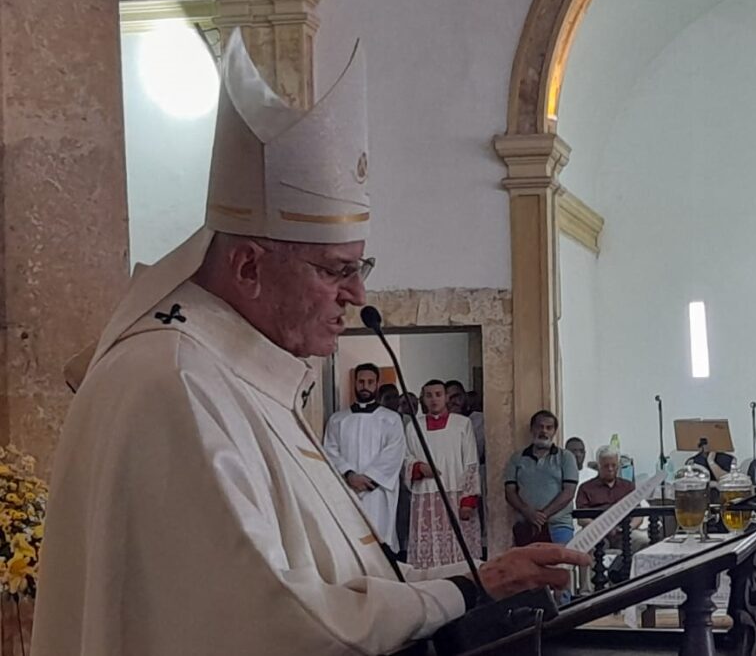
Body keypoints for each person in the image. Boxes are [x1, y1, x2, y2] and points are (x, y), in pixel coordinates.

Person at [31, 32, 588, 656]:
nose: (355, 294)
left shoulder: (243, 376)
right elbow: (276, 624)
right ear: (247, 268)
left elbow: (344, 583)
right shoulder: (175, 383)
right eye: (333, 269)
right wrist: (467, 590)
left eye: (360, 266)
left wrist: (468, 580)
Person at [323, 362, 406, 550]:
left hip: (377, 491)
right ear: (355, 383)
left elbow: (394, 452)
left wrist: (369, 479)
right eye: (361, 381)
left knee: (379, 543)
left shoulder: (390, 419)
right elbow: (329, 450)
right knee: (349, 544)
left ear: (377, 384)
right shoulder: (338, 419)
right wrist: (349, 475)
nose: (365, 386)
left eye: (370, 382)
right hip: (347, 490)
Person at [405, 380, 482, 568]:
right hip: (425, 498)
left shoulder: (462, 424)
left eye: (438, 394)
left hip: (456, 496)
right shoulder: (414, 426)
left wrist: (468, 501)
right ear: (423, 398)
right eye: (429, 395)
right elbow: (406, 457)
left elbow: (471, 461)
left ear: (446, 397)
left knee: (459, 555)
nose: (434, 400)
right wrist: (419, 468)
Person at [503, 410, 578, 547]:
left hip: (558, 526)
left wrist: (541, 516)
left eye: (549, 428)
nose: (544, 431)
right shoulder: (517, 458)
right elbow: (509, 491)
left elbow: (569, 492)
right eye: (540, 426)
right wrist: (528, 512)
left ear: (554, 431)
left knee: (561, 566)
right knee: (526, 567)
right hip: (525, 526)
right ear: (532, 429)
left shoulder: (566, 457)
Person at [577, 445, 649, 577]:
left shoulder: (627, 486)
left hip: (623, 532)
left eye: (613, 465)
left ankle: (636, 582)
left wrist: (629, 528)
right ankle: (586, 593)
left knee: (644, 541)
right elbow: (582, 518)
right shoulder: (586, 488)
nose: (610, 469)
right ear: (598, 466)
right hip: (597, 532)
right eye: (606, 466)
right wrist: (602, 528)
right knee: (584, 547)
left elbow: (639, 515)